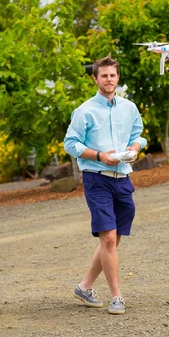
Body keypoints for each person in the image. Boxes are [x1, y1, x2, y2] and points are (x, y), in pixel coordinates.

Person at [64, 55, 147, 315]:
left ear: (117, 77)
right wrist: (101, 156)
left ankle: (85, 286)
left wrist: (134, 148)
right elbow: (71, 144)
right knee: (109, 238)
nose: (109, 79)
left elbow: (138, 136)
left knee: (111, 241)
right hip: (96, 179)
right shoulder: (84, 110)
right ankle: (117, 297)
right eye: (104, 76)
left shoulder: (129, 108)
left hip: (123, 178)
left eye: (112, 75)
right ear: (95, 79)